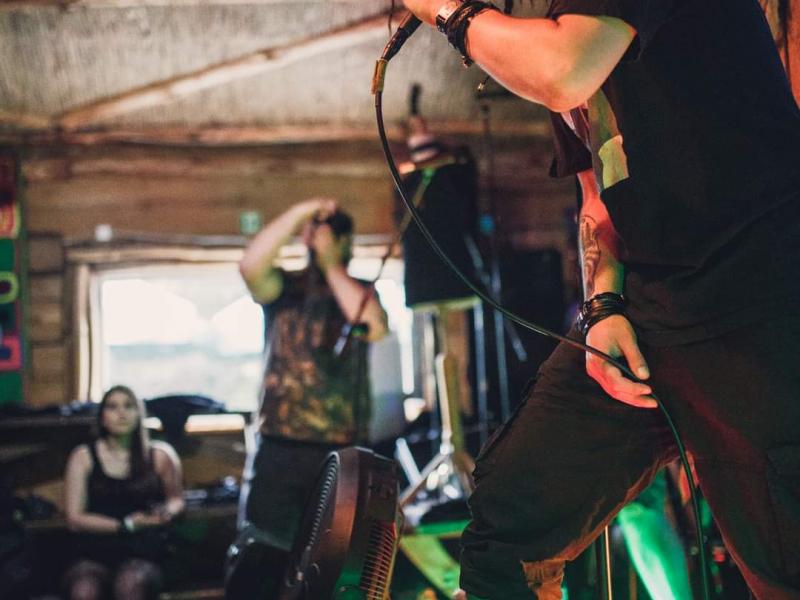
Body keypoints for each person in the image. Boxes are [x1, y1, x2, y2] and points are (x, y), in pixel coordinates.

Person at [401, 0, 800, 598]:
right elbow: (598, 197)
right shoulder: (554, 28)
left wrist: (444, 9)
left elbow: (562, 69)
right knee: (509, 523)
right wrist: (603, 306)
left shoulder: (565, 45)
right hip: (651, 309)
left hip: (761, 298)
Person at [235, 198, 388, 595]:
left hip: (342, 452)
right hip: (280, 449)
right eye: (312, 232)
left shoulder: (360, 293)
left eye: (327, 232)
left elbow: (372, 324)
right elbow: (250, 266)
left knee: (337, 563)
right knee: (265, 556)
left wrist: (331, 264)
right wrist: (304, 210)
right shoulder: (283, 288)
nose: (315, 238)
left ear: (346, 241)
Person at [63, 385, 185, 600]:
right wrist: (125, 525)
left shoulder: (159, 455)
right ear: (102, 417)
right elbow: (74, 517)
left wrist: (166, 512)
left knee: (131, 585)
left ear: (139, 414)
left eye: (128, 406)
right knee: (84, 590)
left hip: (143, 548)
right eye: (113, 407)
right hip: (94, 548)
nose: (121, 413)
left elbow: (176, 499)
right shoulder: (83, 456)